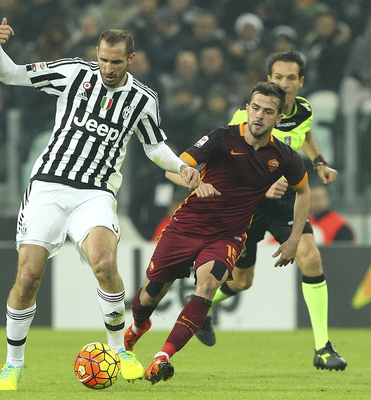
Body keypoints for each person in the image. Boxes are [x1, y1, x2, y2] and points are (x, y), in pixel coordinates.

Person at [0, 18, 200, 390]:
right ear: (96, 54)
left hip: (95, 192)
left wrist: (181, 166)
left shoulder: (142, 99)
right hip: (48, 188)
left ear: (130, 59)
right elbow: (11, 75)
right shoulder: (72, 73)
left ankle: (119, 349)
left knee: (104, 263)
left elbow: (153, 146)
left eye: (116, 62)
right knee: (27, 278)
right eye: (103, 59)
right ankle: (13, 364)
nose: (108, 68)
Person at [124, 81, 311, 384]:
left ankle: (163, 357)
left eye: (268, 111)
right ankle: (136, 328)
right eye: (255, 108)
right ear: (247, 108)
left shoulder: (285, 156)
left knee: (208, 285)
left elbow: (304, 193)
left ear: (278, 119)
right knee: (148, 297)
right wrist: (194, 181)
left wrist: (293, 240)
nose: (259, 116)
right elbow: (173, 168)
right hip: (187, 226)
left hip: (228, 236)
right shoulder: (222, 138)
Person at [196, 51, 347, 371]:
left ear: (300, 82)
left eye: (291, 78)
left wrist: (319, 162)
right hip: (246, 204)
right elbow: (228, 161)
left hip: (282, 204)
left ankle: (322, 348)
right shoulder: (245, 116)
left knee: (311, 256)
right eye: (277, 77)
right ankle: (202, 307)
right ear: (268, 79)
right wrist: (260, 184)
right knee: (241, 282)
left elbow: (303, 132)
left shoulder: (303, 109)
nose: (284, 83)